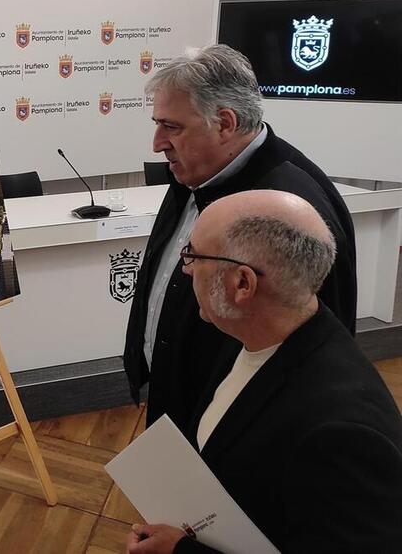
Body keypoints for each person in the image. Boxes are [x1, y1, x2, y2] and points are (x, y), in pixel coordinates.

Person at [127, 190, 402, 553]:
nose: (186, 268)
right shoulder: (252, 336)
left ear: (242, 284)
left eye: (193, 255)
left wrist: (181, 551)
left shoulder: (342, 433)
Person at [122, 44, 356, 429]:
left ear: (225, 123)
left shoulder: (291, 208)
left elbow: (312, 349)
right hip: (180, 401)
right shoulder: (196, 171)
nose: (157, 143)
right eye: (157, 123)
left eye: (172, 127)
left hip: (235, 427)